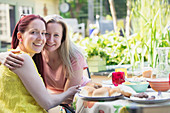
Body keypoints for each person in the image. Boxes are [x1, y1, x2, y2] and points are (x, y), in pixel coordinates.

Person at [0, 14, 80, 113]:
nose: (40, 38)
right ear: (20, 36)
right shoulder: (23, 58)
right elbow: (47, 103)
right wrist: (69, 92)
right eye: (34, 32)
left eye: (43, 33)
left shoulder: (8, 57)